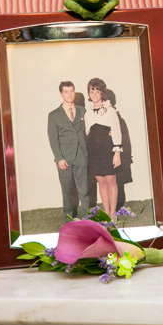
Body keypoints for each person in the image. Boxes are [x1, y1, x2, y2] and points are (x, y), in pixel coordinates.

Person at [47, 81, 88, 222]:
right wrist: (59, 158)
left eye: (71, 91)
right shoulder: (54, 115)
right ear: (61, 94)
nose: (69, 94)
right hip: (65, 159)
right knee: (67, 191)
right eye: (66, 91)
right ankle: (69, 221)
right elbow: (53, 139)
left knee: (84, 191)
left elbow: (92, 130)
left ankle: (88, 221)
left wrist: (109, 132)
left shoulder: (83, 111)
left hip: (82, 156)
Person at [85, 78, 122, 220]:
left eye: (97, 91)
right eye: (91, 91)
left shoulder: (110, 111)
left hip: (108, 150)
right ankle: (106, 213)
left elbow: (116, 131)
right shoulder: (87, 114)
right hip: (94, 151)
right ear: (89, 93)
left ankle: (113, 214)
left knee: (111, 181)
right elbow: (87, 133)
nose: (94, 94)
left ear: (102, 93)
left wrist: (117, 153)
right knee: (101, 181)